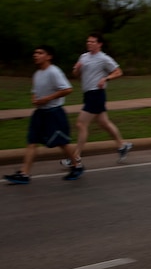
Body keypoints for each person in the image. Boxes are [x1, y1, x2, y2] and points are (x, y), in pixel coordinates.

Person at [5, 45, 84, 184]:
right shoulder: (37, 74)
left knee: (62, 143)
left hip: (54, 113)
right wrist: (34, 99)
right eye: (35, 53)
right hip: (40, 113)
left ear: (49, 56)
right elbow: (35, 91)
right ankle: (24, 174)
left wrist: (48, 98)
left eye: (40, 53)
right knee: (32, 142)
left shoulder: (54, 72)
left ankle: (77, 166)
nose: (36, 55)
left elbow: (67, 89)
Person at [64, 33, 133, 169]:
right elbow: (76, 75)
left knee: (80, 124)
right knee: (104, 122)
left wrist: (106, 79)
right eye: (88, 41)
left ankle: (75, 157)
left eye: (92, 42)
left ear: (99, 44)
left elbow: (118, 72)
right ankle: (122, 146)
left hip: (97, 94)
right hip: (88, 94)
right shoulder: (83, 57)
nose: (89, 43)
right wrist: (76, 69)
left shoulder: (104, 58)